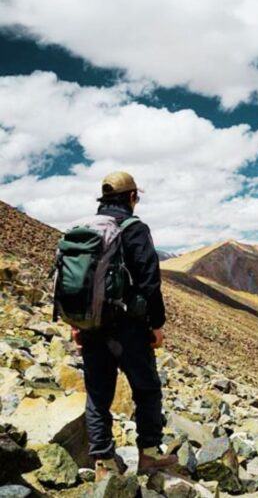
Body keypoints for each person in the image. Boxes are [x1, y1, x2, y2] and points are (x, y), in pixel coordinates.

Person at [71, 171, 177, 480]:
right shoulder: (134, 229)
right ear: (132, 197)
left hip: (90, 325)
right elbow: (149, 281)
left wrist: (77, 323)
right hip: (128, 328)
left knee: (98, 394)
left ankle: (103, 463)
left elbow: (76, 283)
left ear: (103, 200)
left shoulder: (85, 230)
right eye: (137, 197)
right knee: (146, 389)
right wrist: (156, 325)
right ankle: (149, 455)